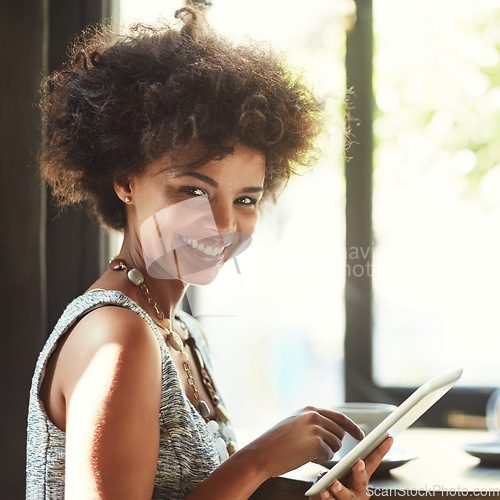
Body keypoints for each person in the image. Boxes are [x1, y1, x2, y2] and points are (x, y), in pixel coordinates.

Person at [26, 7, 392, 499]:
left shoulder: (177, 329)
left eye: (245, 200)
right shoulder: (119, 338)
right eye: (193, 191)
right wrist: (257, 461)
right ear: (125, 181)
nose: (222, 224)